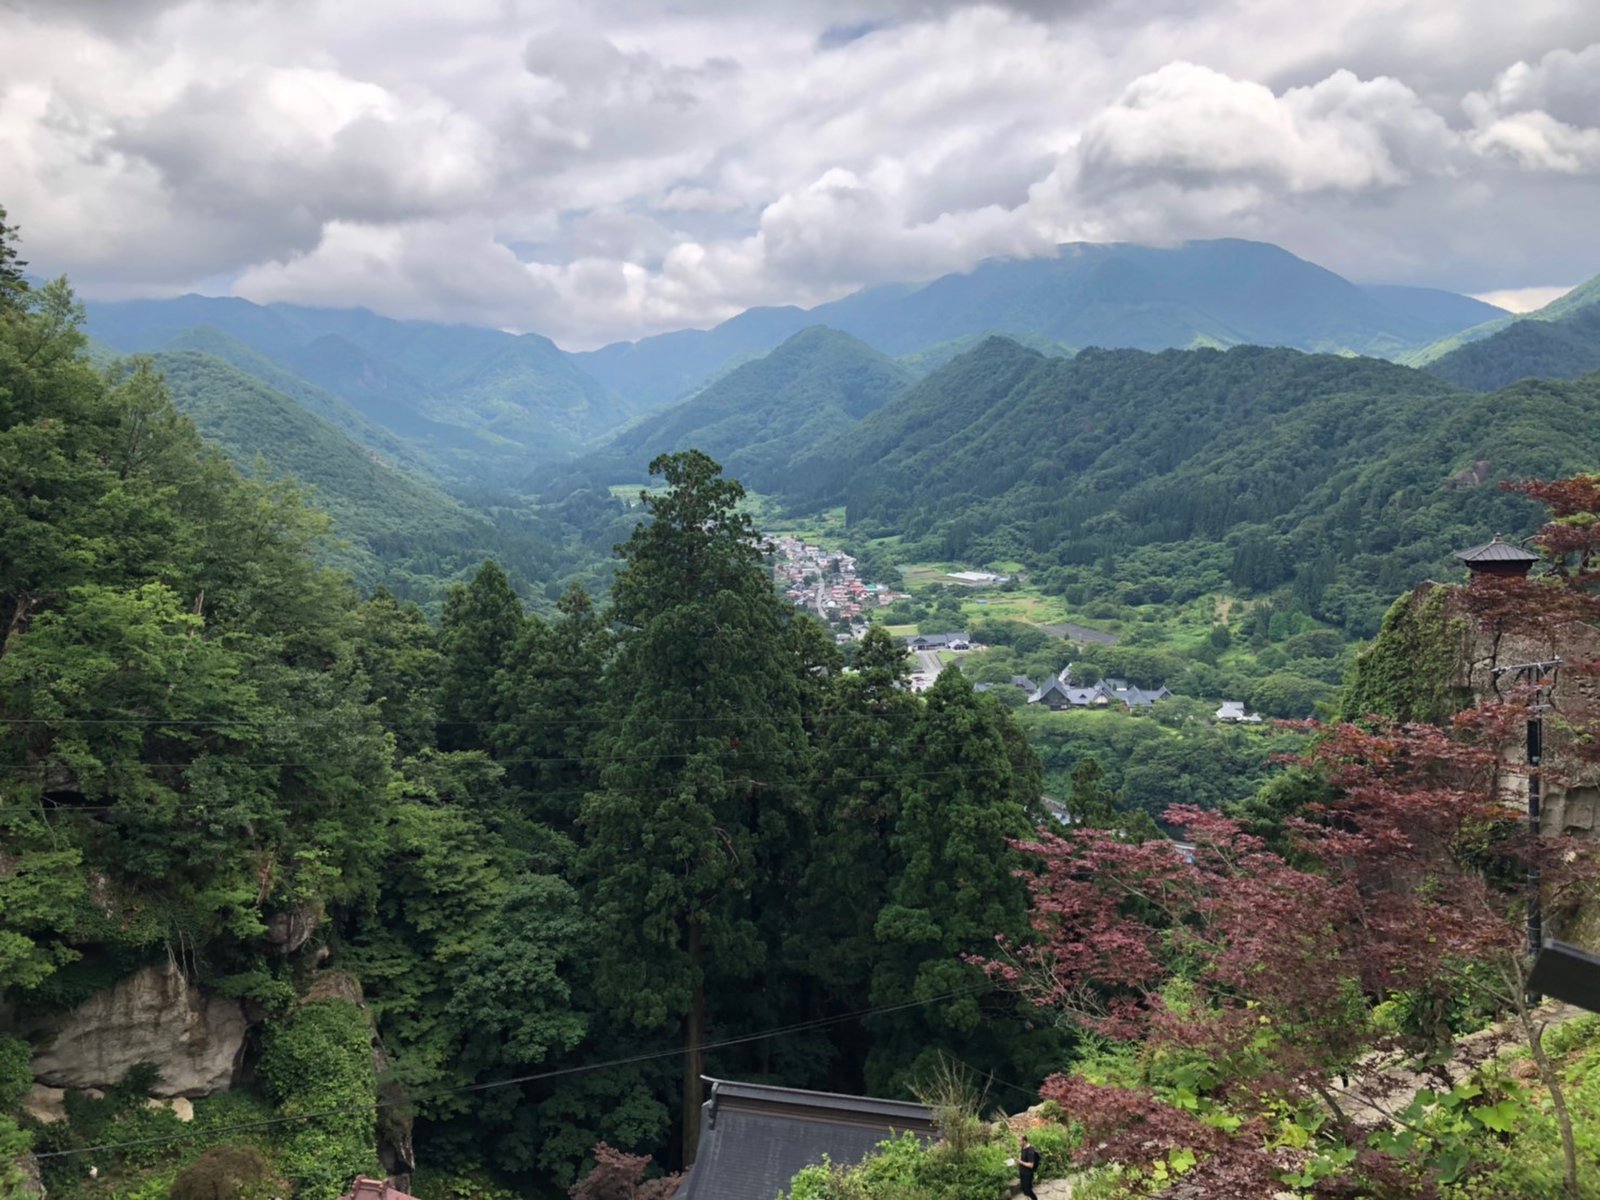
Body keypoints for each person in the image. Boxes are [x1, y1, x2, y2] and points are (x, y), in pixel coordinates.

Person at [1017, 1132, 1040, 1200]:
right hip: (1022, 1172)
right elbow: (1022, 1158)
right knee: (1024, 1189)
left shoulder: (1030, 1151)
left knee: (1028, 1190)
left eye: (1020, 1141)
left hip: (1027, 1174)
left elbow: (1031, 1165)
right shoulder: (1023, 1147)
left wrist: (1021, 1162)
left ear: (1024, 1141)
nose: (1018, 1142)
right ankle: (1027, 1198)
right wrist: (1018, 1161)